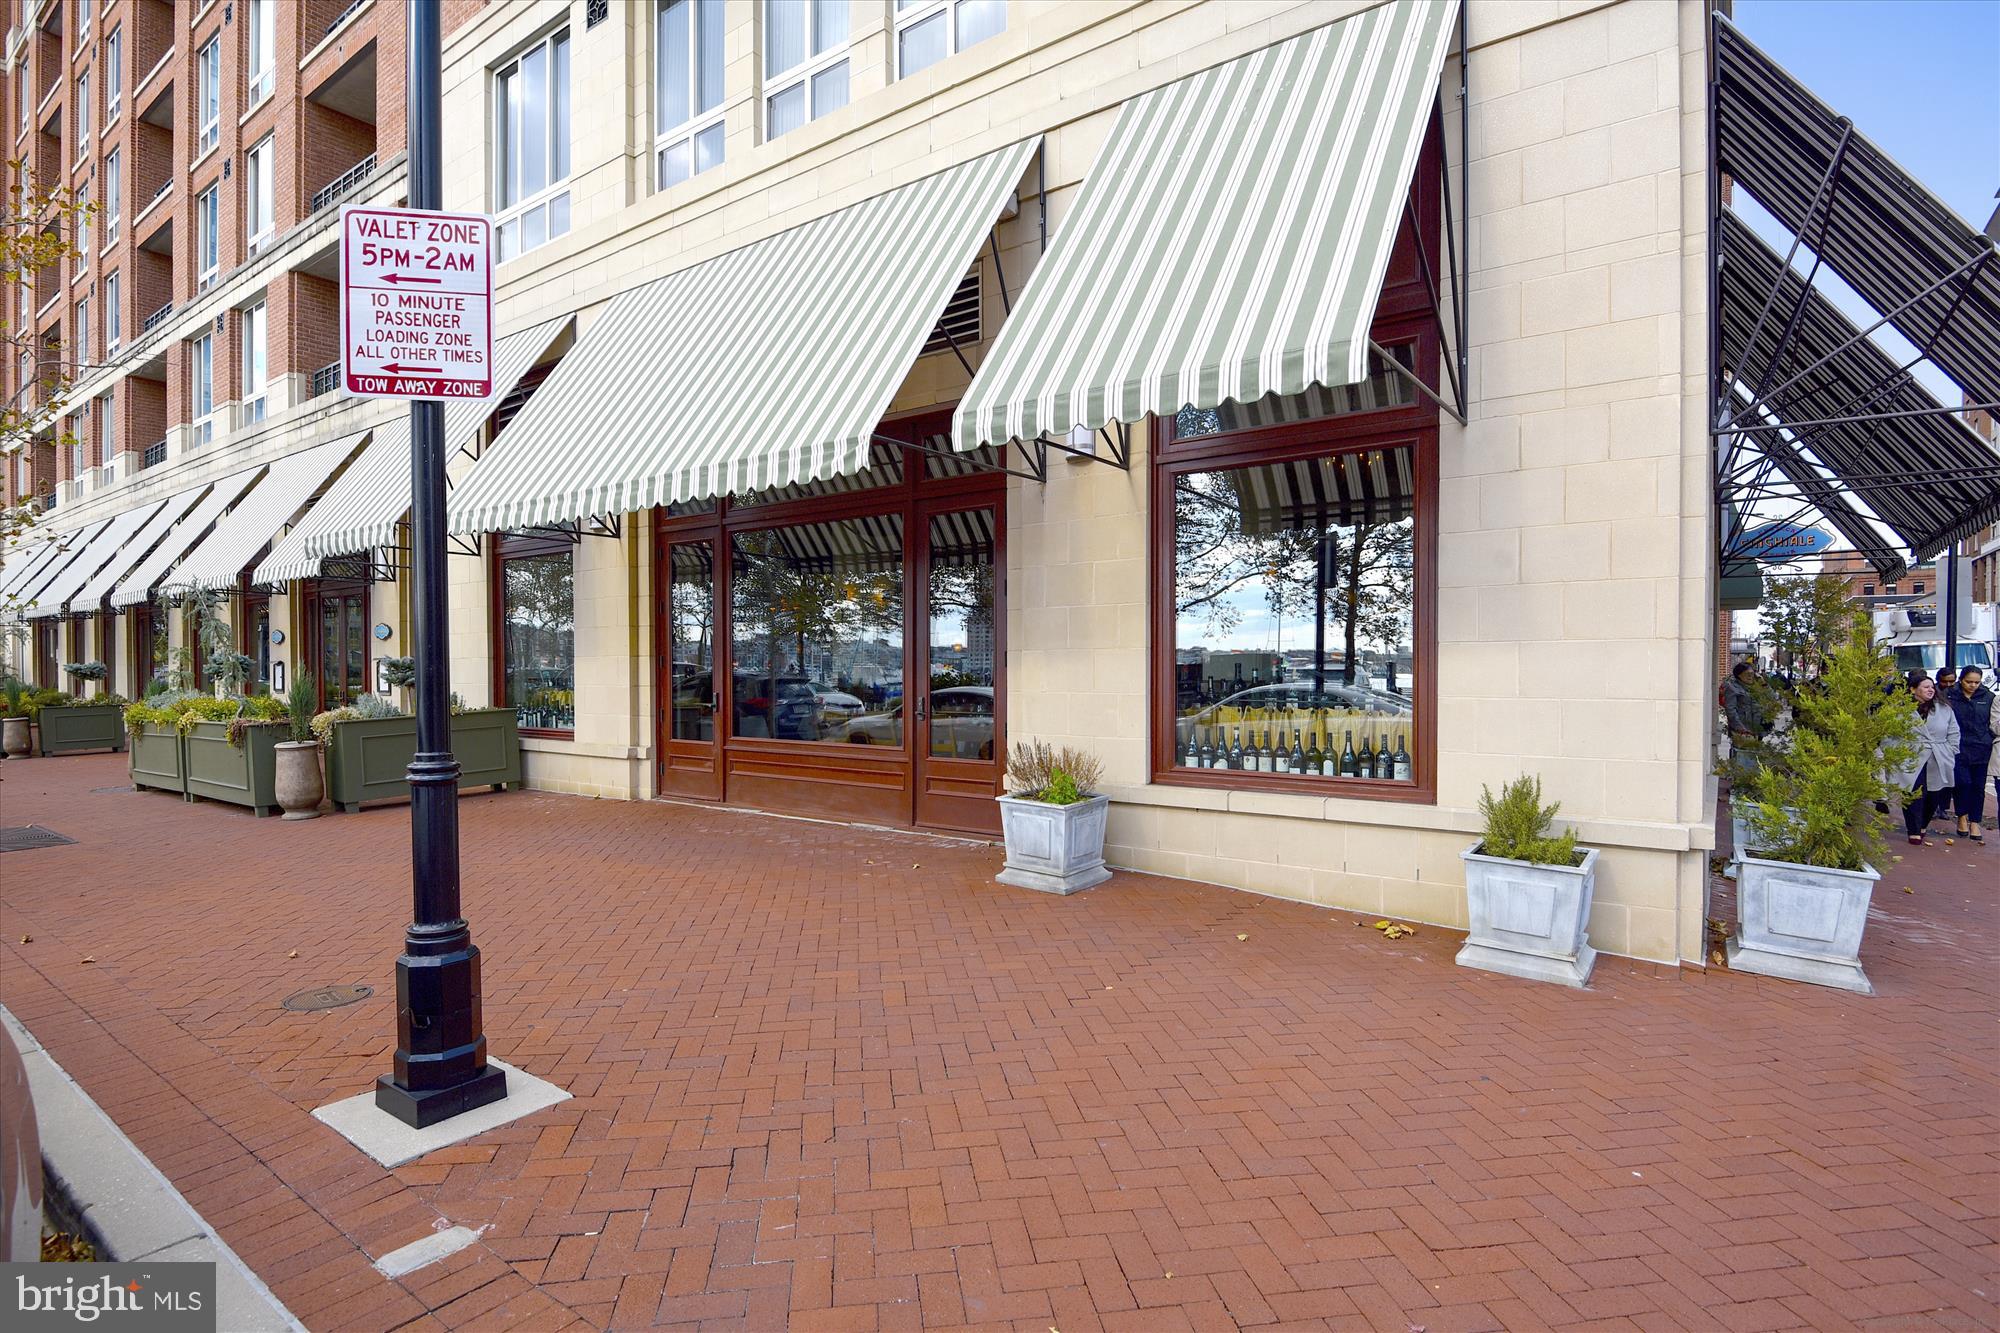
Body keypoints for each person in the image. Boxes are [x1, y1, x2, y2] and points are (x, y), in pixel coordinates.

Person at [1895, 672, 1958, 845]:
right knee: (1913, 791)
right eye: (1926, 687)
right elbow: (1892, 733)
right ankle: (1913, 830)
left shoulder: (1944, 709)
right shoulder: (1901, 709)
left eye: (1932, 687)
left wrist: (1951, 751)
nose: (1931, 690)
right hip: (1911, 755)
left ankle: (1923, 825)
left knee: (1933, 793)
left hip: (1938, 755)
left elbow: (1954, 732)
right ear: (1913, 689)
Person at [1948, 664, 1994, 842]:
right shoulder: (1951, 695)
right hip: (1959, 746)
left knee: (1978, 787)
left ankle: (1975, 821)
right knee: (1962, 783)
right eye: (1969, 682)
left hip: (1981, 747)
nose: (1973, 685)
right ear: (1961, 680)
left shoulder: (1988, 697)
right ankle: (1961, 816)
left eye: (1976, 682)